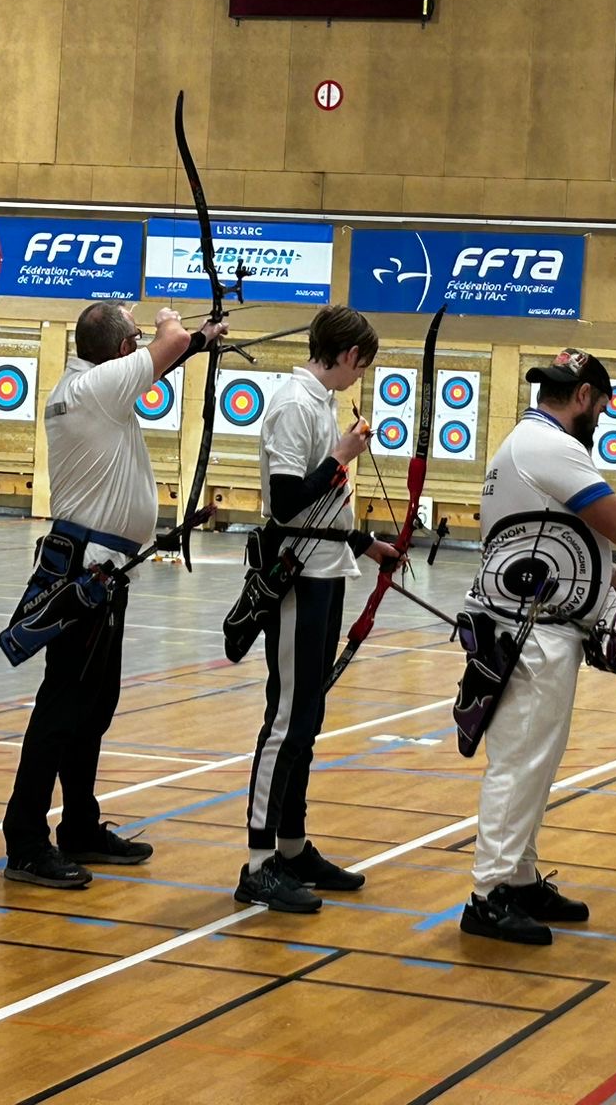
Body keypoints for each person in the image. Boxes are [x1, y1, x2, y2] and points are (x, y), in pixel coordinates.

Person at [1, 302, 223, 890]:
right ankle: (25, 841)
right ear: (124, 350)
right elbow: (169, 343)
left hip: (100, 573)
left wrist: (202, 339)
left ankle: (79, 825)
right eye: (135, 339)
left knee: (92, 708)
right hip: (86, 576)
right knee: (61, 709)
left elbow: (167, 356)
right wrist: (175, 321)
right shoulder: (97, 388)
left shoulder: (93, 386)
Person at [457, 349, 616, 946]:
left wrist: (613, 577)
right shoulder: (551, 446)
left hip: (533, 627)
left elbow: (551, 537)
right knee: (520, 762)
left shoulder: (528, 443)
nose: (599, 416)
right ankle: (489, 894)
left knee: (535, 761)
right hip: (529, 633)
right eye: (601, 406)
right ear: (584, 397)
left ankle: (518, 878)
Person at [234, 305, 400, 914]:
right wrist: (343, 455)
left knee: (307, 716)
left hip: (326, 569)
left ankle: (292, 846)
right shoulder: (294, 405)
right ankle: (258, 864)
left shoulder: (319, 403)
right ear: (349, 354)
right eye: (364, 363)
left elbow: (318, 508)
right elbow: (284, 504)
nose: (361, 374)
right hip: (297, 578)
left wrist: (365, 542)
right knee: (286, 718)